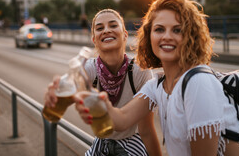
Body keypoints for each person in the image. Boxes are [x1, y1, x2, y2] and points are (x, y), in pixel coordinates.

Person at [75, 0, 239, 156]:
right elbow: (122, 120)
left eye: (177, 30)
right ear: (149, 35)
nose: (167, 36)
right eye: (159, 29)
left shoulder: (198, 82)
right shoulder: (158, 84)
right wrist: (100, 103)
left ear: (190, 36)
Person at [44, 9, 161, 156]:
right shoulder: (88, 69)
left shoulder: (139, 71)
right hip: (101, 142)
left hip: (132, 142)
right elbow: (68, 92)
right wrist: (54, 96)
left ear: (125, 35)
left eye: (113, 25)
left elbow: (146, 129)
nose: (106, 30)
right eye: (100, 28)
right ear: (94, 39)